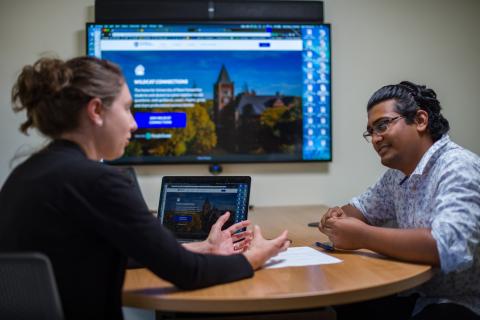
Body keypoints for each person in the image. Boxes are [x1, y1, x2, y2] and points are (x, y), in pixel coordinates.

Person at [0, 56, 290, 320]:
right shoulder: (99, 181)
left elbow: (104, 253)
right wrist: (253, 257)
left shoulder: (26, 174)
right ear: (96, 110)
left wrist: (204, 247)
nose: (135, 124)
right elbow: (189, 274)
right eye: (127, 109)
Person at [319, 81, 480, 320]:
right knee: (341, 303)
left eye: (383, 125)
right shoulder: (397, 174)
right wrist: (335, 216)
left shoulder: (459, 167)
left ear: (420, 120)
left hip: (458, 303)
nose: (375, 138)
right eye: (371, 131)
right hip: (414, 292)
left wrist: (362, 235)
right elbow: (360, 209)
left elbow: (445, 246)